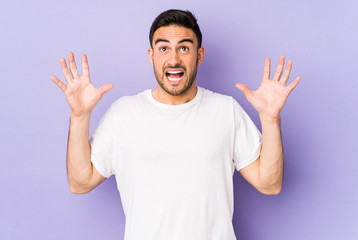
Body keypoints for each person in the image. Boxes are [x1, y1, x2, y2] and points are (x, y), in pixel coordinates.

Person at [50, 9, 300, 240]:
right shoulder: (124, 114)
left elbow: (269, 184)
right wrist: (80, 117)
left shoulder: (226, 111)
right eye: (163, 49)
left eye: (184, 48)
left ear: (199, 55)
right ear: (151, 56)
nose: (173, 59)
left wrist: (270, 120)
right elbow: (80, 182)